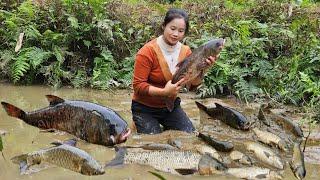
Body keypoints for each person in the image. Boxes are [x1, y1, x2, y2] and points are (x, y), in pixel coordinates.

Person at [131, 8, 218, 134]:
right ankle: (137, 122)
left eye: (181, 31)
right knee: (153, 141)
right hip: (144, 108)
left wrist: (204, 69)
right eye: (172, 29)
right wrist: (164, 92)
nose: (176, 34)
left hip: (170, 107)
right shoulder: (147, 52)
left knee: (188, 136)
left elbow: (192, 86)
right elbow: (138, 86)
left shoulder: (186, 52)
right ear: (163, 26)